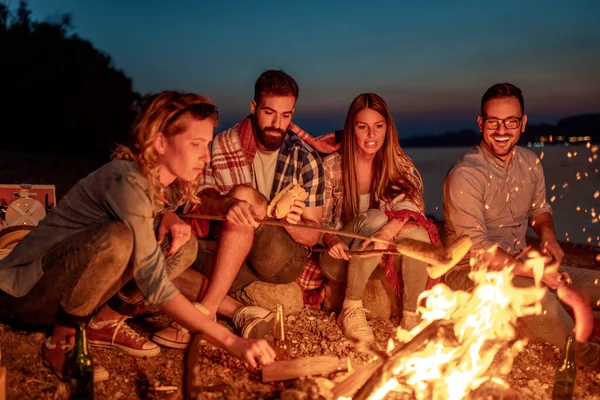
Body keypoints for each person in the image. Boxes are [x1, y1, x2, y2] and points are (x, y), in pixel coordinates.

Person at [0, 91, 276, 383]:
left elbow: (177, 207)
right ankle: (63, 340)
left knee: (183, 244)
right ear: (159, 142)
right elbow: (153, 282)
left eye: (207, 144)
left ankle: (103, 323)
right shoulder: (125, 179)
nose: (206, 156)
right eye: (196, 144)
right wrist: (231, 341)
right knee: (119, 239)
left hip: (75, 289)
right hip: (28, 293)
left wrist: (186, 212)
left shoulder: (166, 185)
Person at [153, 70, 325, 348]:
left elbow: (314, 235)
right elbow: (199, 201)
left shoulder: (305, 159)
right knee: (157, 264)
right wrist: (228, 205)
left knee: (244, 194)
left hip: (278, 257)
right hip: (231, 251)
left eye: (286, 115)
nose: (277, 123)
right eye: (269, 112)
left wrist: (291, 222)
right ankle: (239, 311)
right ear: (253, 107)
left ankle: (205, 311)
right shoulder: (222, 145)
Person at [442, 82, 600, 369]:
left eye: (511, 121)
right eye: (493, 122)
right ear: (481, 123)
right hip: (471, 274)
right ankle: (589, 356)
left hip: (520, 260)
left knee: (594, 283)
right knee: (544, 299)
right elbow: (479, 251)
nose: (502, 131)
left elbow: (539, 210)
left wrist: (548, 234)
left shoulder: (530, 161)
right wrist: (536, 273)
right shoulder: (466, 174)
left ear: (523, 123)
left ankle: (574, 318)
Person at [319, 93, 441, 343]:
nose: (371, 135)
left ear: (388, 128)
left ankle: (411, 316)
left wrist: (386, 233)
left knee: (418, 234)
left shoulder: (398, 164)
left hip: (382, 256)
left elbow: (412, 209)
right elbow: (318, 222)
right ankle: (351, 309)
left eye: (378, 127)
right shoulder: (332, 166)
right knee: (376, 218)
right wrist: (332, 239)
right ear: (351, 129)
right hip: (340, 255)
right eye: (362, 127)